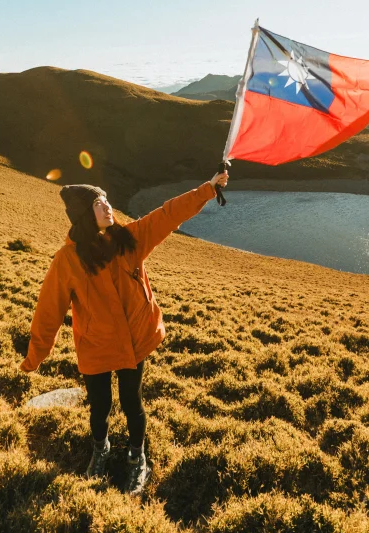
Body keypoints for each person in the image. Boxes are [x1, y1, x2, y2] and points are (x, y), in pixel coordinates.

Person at [19, 169, 229, 495]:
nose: (107, 207)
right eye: (97, 204)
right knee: (100, 406)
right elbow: (48, 311)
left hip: (134, 342)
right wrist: (34, 357)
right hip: (96, 346)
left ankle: (137, 456)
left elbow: (168, 214)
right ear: (84, 215)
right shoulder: (67, 260)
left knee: (133, 402)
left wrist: (208, 189)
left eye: (106, 200)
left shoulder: (129, 239)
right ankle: (100, 451)